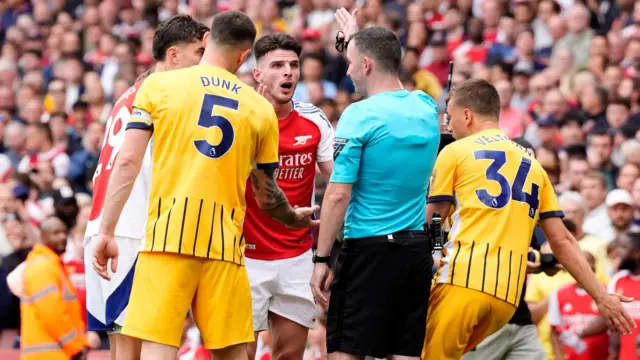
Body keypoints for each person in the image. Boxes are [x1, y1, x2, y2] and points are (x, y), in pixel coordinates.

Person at [92, 11, 319, 360]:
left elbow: (127, 161)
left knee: (157, 345)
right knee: (233, 352)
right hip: (225, 246)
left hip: (167, 239)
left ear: (208, 39)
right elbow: (267, 194)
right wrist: (294, 219)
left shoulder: (158, 85)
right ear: (244, 57)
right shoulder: (259, 108)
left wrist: (106, 230)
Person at [422, 78, 635, 359]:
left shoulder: (455, 151)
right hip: (506, 300)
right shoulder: (534, 166)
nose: (448, 124)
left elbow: (432, 221)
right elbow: (563, 240)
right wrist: (601, 296)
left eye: (449, 115)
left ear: (467, 115)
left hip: (462, 282)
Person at [310, 8, 440, 360]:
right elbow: (376, 58)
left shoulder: (359, 115)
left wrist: (321, 259)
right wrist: (354, 39)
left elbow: (337, 194)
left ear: (365, 64)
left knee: (345, 352)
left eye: (351, 63)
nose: (347, 70)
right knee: (404, 353)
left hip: (369, 249)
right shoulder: (426, 106)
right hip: (415, 252)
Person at [84, 15, 209, 360]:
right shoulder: (165, 93)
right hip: (130, 230)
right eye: (199, 52)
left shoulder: (130, 93)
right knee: (147, 342)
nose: (204, 61)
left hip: (106, 226)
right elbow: (128, 162)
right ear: (173, 55)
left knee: (125, 345)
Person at [244, 33, 334, 360]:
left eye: (293, 65)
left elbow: (337, 182)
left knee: (290, 355)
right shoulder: (242, 118)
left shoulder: (314, 120)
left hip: (296, 256)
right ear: (258, 74)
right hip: (245, 256)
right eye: (277, 65)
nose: (288, 73)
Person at [462, 137, 553, 360]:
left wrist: (537, 259)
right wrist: (524, 259)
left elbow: (554, 259)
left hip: (518, 315)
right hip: (484, 312)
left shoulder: (531, 210)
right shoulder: (482, 205)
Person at [20, 217, 89, 360]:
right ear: (42, 236)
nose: (62, 236)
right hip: (49, 355)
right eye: (56, 233)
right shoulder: (42, 267)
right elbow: (53, 314)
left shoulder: (53, 265)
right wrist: (75, 347)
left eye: (64, 232)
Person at [548, 251, 609, 360]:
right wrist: (559, 356)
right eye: (578, 266)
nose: (583, 270)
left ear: (594, 268)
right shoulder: (559, 294)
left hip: (600, 356)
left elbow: (609, 324)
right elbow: (554, 331)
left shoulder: (606, 292)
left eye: (588, 265)